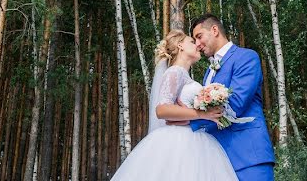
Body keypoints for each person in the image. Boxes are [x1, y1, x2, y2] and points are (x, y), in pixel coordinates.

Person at [110, 30, 238, 181]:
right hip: (180, 141)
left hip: (195, 137)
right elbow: (162, 109)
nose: (197, 45)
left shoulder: (184, 75)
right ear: (180, 45)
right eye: (192, 41)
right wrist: (202, 114)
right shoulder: (175, 72)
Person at [189, 14, 276, 181]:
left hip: (248, 156)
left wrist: (189, 121)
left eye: (199, 37)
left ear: (214, 30)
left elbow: (235, 104)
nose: (197, 44)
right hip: (218, 160)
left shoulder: (246, 57)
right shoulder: (209, 71)